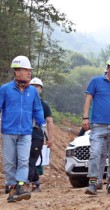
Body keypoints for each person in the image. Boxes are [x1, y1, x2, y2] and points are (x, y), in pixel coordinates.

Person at [0, 55, 46, 202]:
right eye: (26, 70)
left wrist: (42, 124)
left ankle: (21, 185)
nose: (29, 73)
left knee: (24, 160)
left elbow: (37, 109)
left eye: (30, 70)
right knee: (9, 162)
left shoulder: (32, 91)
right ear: (17, 71)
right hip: (8, 132)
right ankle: (12, 189)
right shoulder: (5, 89)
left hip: (26, 132)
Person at [82, 54, 110, 195]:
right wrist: (85, 117)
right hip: (97, 125)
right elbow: (88, 100)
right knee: (94, 154)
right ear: (107, 68)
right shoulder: (96, 81)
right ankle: (93, 183)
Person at [28, 77, 54, 192]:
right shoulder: (24, 102)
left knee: (31, 160)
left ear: (41, 89)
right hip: (24, 133)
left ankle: (24, 185)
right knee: (25, 160)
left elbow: (49, 121)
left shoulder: (44, 105)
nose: (34, 88)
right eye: (32, 86)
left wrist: (50, 138)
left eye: (37, 86)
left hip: (37, 134)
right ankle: (36, 182)